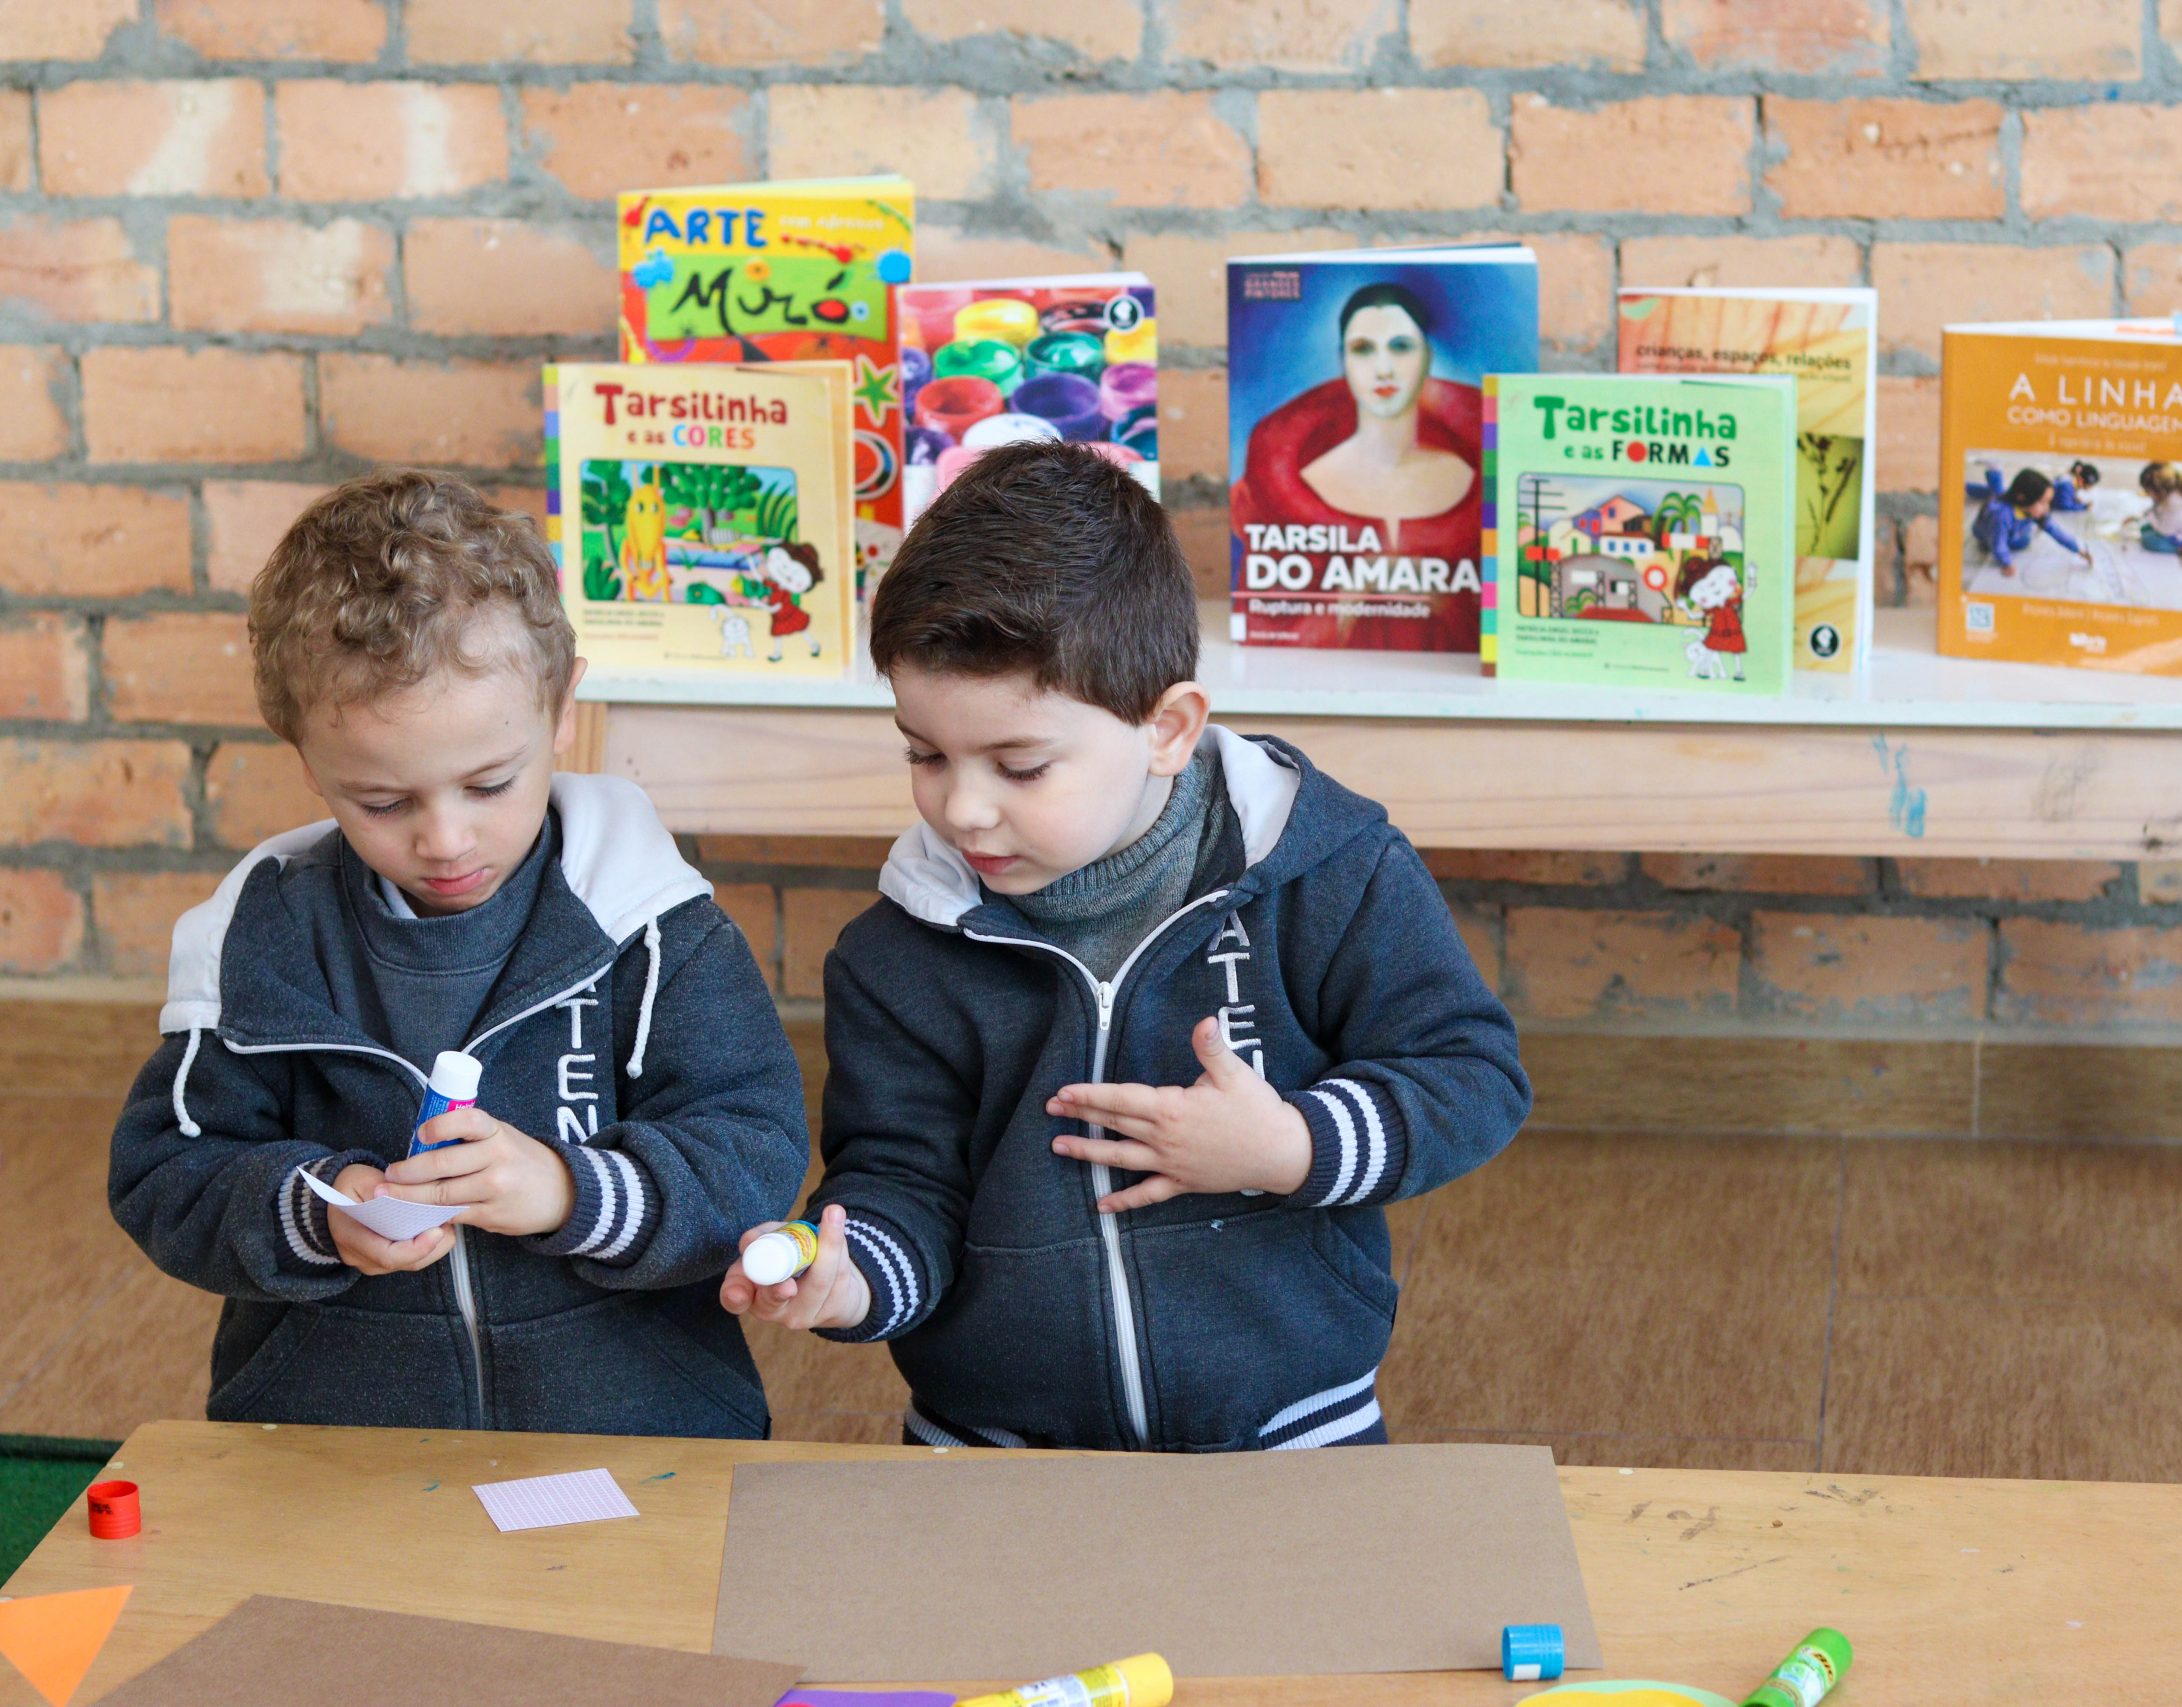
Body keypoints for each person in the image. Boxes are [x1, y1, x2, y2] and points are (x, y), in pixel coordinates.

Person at [726, 442, 1531, 1451]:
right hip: (991, 1449)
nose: (962, 808)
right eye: (925, 754)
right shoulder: (897, 956)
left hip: (1293, 1431)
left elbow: (1471, 1074)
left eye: (1021, 766)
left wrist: (1291, 1145)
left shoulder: (1331, 872)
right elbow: (904, 1184)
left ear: (1168, 729)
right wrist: (850, 1279)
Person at [108, 470, 807, 1437]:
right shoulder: (259, 941)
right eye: (383, 802)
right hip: (331, 1443)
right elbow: (165, 1171)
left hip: (642, 1428)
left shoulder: (650, 922)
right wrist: (319, 1212)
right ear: (307, 762)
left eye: (489, 784)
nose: (445, 840)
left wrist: (571, 1190)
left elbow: (754, 1148)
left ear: (562, 709)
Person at [1228, 281, 1485, 651]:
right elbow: (1260, 625)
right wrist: (1349, 594)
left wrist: (1442, 598)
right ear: (1342, 361)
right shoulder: (1291, 486)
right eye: (1363, 349)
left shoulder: (1474, 482)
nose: (1383, 369)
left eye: (1401, 347)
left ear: (1427, 357)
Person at [1965, 465, 2090, 576]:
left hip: (2008, 522)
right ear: (2022, 498)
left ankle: (1994, 473)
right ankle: (1993, 473)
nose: (2047, 508)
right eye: (2042, 502)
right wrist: (2006, 563)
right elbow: (1998, 544)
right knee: (2015, 542)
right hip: (1985, 533)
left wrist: (2078, 549)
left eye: (2048, 502)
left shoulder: (2031, 509)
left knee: (1998, 493)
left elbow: (2056, 531)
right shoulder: (2001, 516)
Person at [2137, 462, 2182, 556]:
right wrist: (2140, 517)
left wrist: (2149, 516)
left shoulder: (2175, 502)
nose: (2147, 493)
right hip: (2172, 527)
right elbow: (2156, 510)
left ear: (2159, 491)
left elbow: (2165, 530)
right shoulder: (2166, 493)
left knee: (2149, 541)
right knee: (2144, 528)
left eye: (2148, 490)